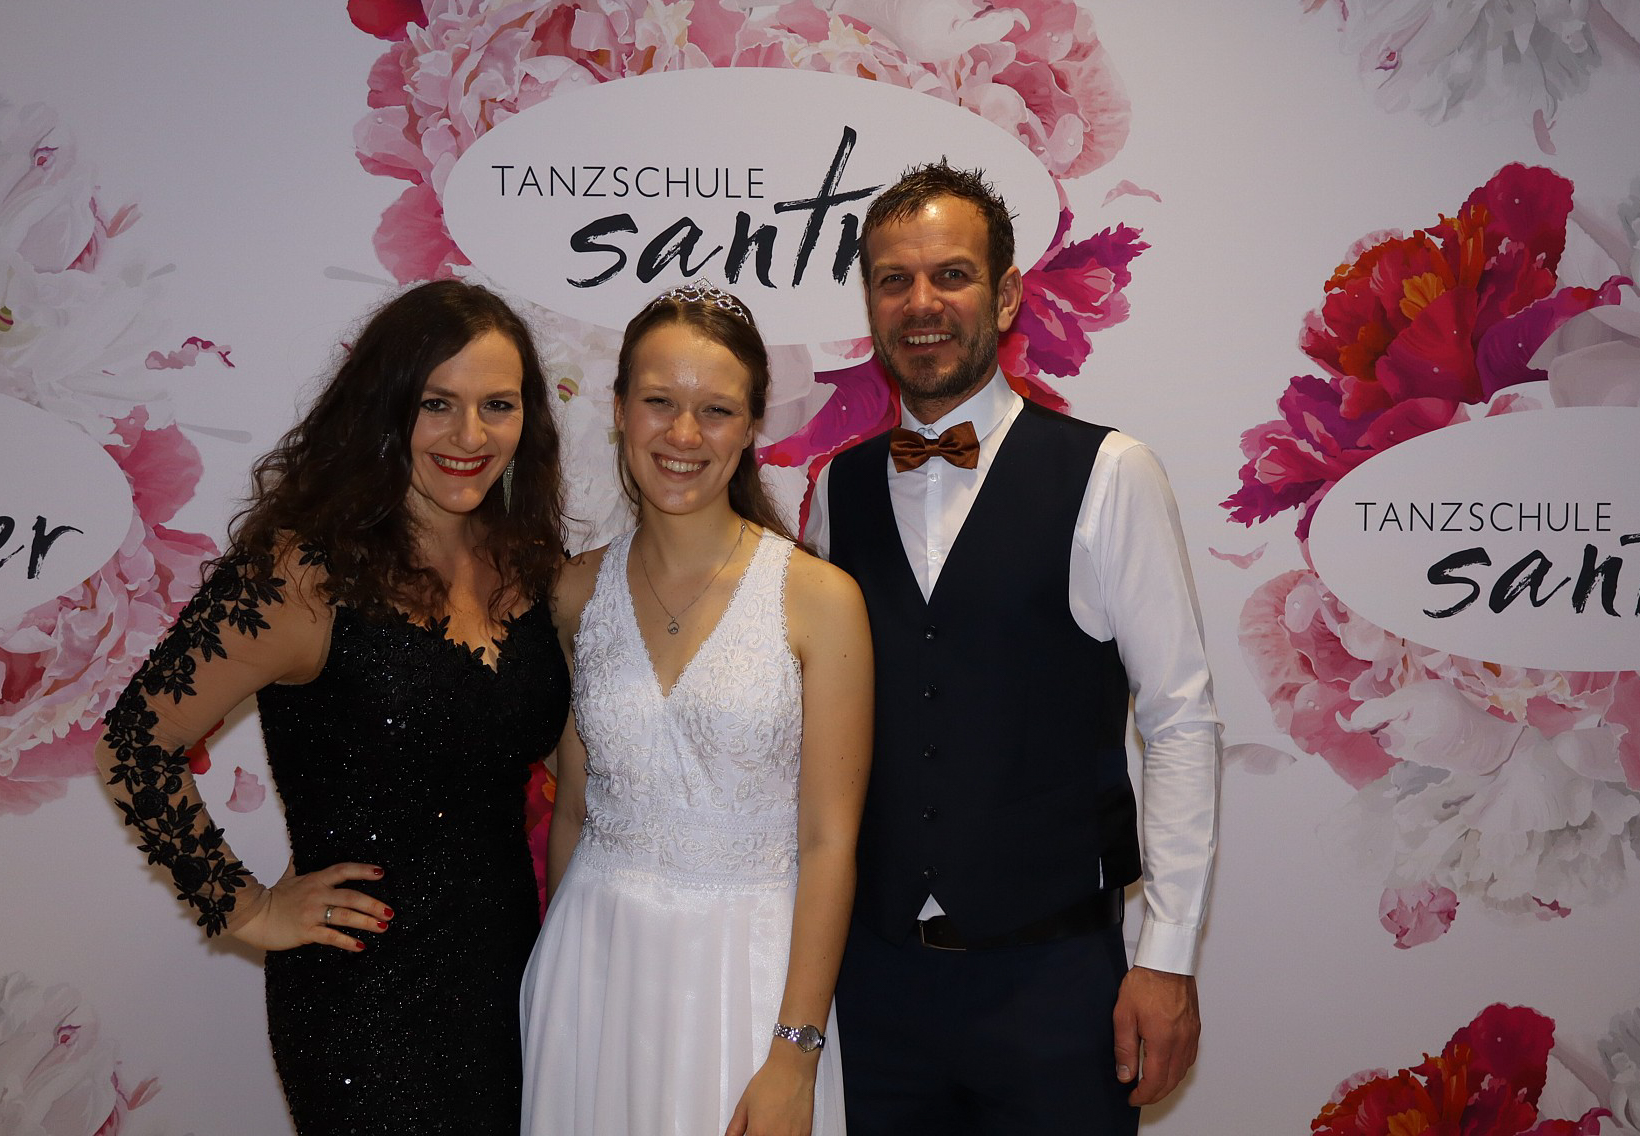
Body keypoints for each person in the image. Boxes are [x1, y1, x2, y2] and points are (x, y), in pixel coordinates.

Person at [803, 162, 1221, 1134]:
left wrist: (1165, 957)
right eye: (894, 280)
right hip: (874, 989)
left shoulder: (1111, 474)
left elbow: (1178, 720)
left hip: (1054, 987)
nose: (921, 303)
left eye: (950, 275)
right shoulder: (836, 490)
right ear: (870, 304)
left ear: (1003, 295)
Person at [96, 279, 571, 1135]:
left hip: (510, 973)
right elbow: (134, 742)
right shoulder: (301, 574)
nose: (470, 436)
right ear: (385, 407)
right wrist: (246, 908)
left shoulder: (528, 562)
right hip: (365, 1001)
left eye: (497, 406)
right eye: (437, 404)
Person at [520, 280, 873, 1136]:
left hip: (749, 981)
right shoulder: (571, 592)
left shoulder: (820, 599)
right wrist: (559, 984)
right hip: (591, 969)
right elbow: (573, 810)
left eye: (716, 410)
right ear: (618, 410)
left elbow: (829, 844)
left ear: (751, 427)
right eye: (659, 402)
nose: (683, 435)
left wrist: (796, 1051)